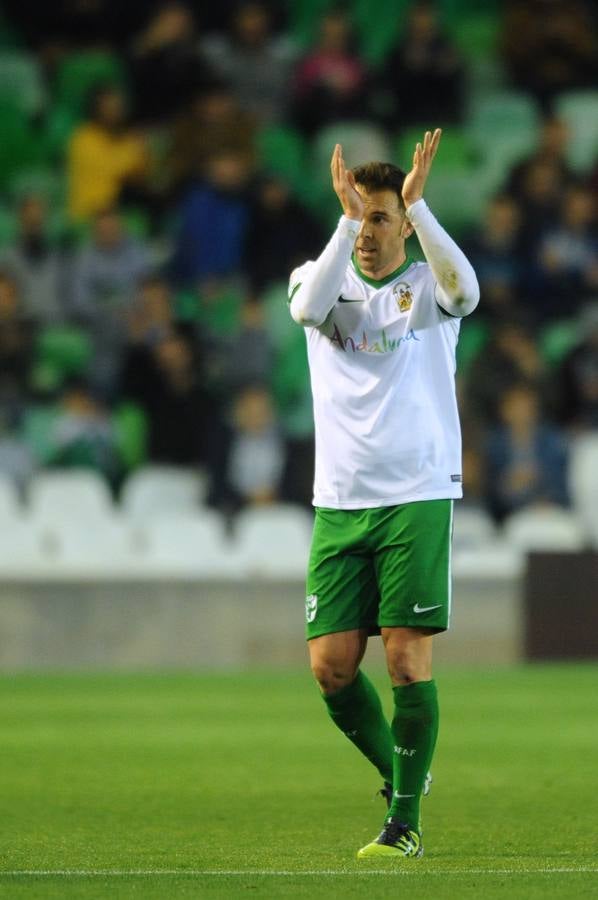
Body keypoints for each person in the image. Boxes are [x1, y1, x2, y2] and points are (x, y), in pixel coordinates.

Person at [288, 131, 479, 859]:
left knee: (404, 661)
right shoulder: (319, 275)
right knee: (332, 668)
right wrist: (343, 222)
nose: (367, 233)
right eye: (358, 218)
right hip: (338, 500)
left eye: (379, 220)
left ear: (403, 225)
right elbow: (308, 313)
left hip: (416, 492)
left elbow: (469, 290)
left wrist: (421, 209)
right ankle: (408, 775)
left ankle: (403, 824)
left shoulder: (429, 290)